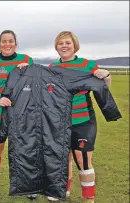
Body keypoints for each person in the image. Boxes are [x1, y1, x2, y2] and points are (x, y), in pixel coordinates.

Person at [49, 31, 112, 203]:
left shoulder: (87, 65)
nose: (64, 46)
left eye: (67, 43)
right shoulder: (52, 68)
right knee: (64, 157)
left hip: (83, 120)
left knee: (82, 158)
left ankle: (88, 198)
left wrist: (106, 76)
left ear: (74, 45)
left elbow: (103, 87)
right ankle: (64, 191)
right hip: (60, 122)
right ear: (56, 47)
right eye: (60, 43)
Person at [0, 30, 34, 197]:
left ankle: (29, 186)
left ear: (16, 43)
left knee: (26, 150)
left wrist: (29, 70)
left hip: (23, 114)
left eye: (10, 41)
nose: (7, 44)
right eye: (4, 41)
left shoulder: (26, 60)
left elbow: (37, 82)